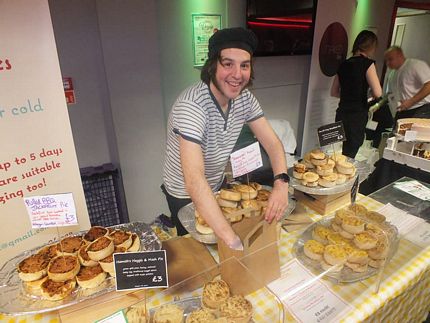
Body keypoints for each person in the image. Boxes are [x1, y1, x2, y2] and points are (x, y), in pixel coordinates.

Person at [161, 27, 290, 249]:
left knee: (222, 247)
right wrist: (232, 240)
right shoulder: (192, 106)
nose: (237, 74)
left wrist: (281, 184)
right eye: (228, 64)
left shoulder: (245, 98)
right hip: (184, 193)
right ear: (212, 65)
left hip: (217, 184)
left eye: (244, 65)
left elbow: (272, 143)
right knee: (200, 254)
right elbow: (193, 179)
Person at [330, 30, 383, 158]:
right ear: (371, 47)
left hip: (341, 113)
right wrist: (367, 98)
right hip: (356, 115)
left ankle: (340, 175)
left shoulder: (343, 64)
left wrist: (348, 96)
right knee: (351, 152)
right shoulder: (367, 64)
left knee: (341, 151)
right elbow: (378, 92)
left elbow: (334, 92)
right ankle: (345, 176)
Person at [384, 46, 430, 122]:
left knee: (413, 133)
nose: (388, 63)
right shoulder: (392, 74)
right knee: (397, 132)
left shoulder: (415, 65)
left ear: (400, 56)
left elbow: (429, 84)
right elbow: (391, 94)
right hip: (403, 110)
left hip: (421, 109)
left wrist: (411, 101)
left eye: (390, 59)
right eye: (386, 60)